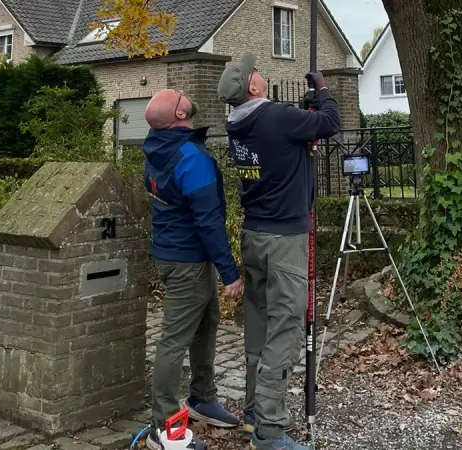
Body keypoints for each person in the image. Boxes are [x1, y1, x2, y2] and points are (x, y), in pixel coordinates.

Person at [217, 53, 341, 450]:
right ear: (253, 86)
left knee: (257, 328)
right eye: (257, 71)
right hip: (283, 241)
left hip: (254, 235)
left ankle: (254, 410)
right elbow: (330, 123)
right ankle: (270, 431)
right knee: (284, 331)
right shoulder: (276, 117)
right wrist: (322, 89)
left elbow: (287, 146)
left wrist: (302, 141)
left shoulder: (237, 123)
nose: (261, 73)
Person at [141, 88, 244, 450]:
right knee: (175, 339)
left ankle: (202, 398)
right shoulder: (189, 157)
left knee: (206, 324)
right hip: (188, 261)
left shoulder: (156, 147)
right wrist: (229, 272)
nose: (186, 95)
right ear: (181, 116)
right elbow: (209, 221)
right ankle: (164, 426)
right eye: (181, 96)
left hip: (175, 255)